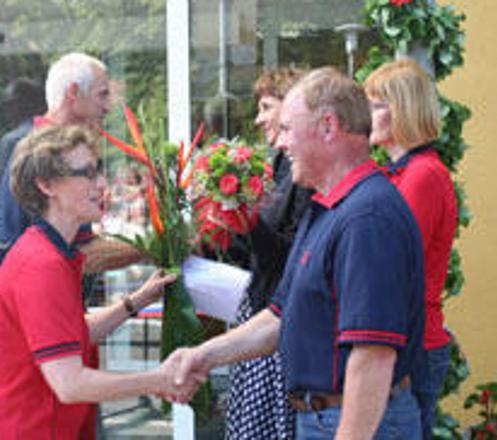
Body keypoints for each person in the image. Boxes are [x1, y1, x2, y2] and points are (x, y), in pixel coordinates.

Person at [171, 67, 428, 439]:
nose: (280, 143)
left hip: (357, 421)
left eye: (289, 129)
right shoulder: (329, 207)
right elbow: (278, 316)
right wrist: (204, 356)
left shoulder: (367, 218)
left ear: (328, 127)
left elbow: (372, 357)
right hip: (323, 418)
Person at [0, 125, 198, 439]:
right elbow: (70, 384)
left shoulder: (52, 253)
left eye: (100, 172)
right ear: (47, 185)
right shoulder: (42, 264)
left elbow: (70, 338)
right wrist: (157, 380)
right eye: (88, 174)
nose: (102, 184)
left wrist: (136, 301)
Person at [365, 59, 457, 439]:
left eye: (376, 105)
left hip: (415, 344)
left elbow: (390, 262)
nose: (366, 115)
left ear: (401, 109)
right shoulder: (400, 172)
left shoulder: (422, 176)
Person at [224, 67, 312, 440]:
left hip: (277, 324)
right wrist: (222, 228)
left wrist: (247, 219)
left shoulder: (303, 173)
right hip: (257, 312)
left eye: (266, 107)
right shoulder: (276, 165)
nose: (259, 118)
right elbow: (253, 252)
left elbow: (288, 255)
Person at [0, 52, 141, 272]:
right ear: (73, 92)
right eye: (102, 95)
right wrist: (152, 248)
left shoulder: (58, 149)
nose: (108, 107)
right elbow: (68, 254)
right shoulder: (29, 151)